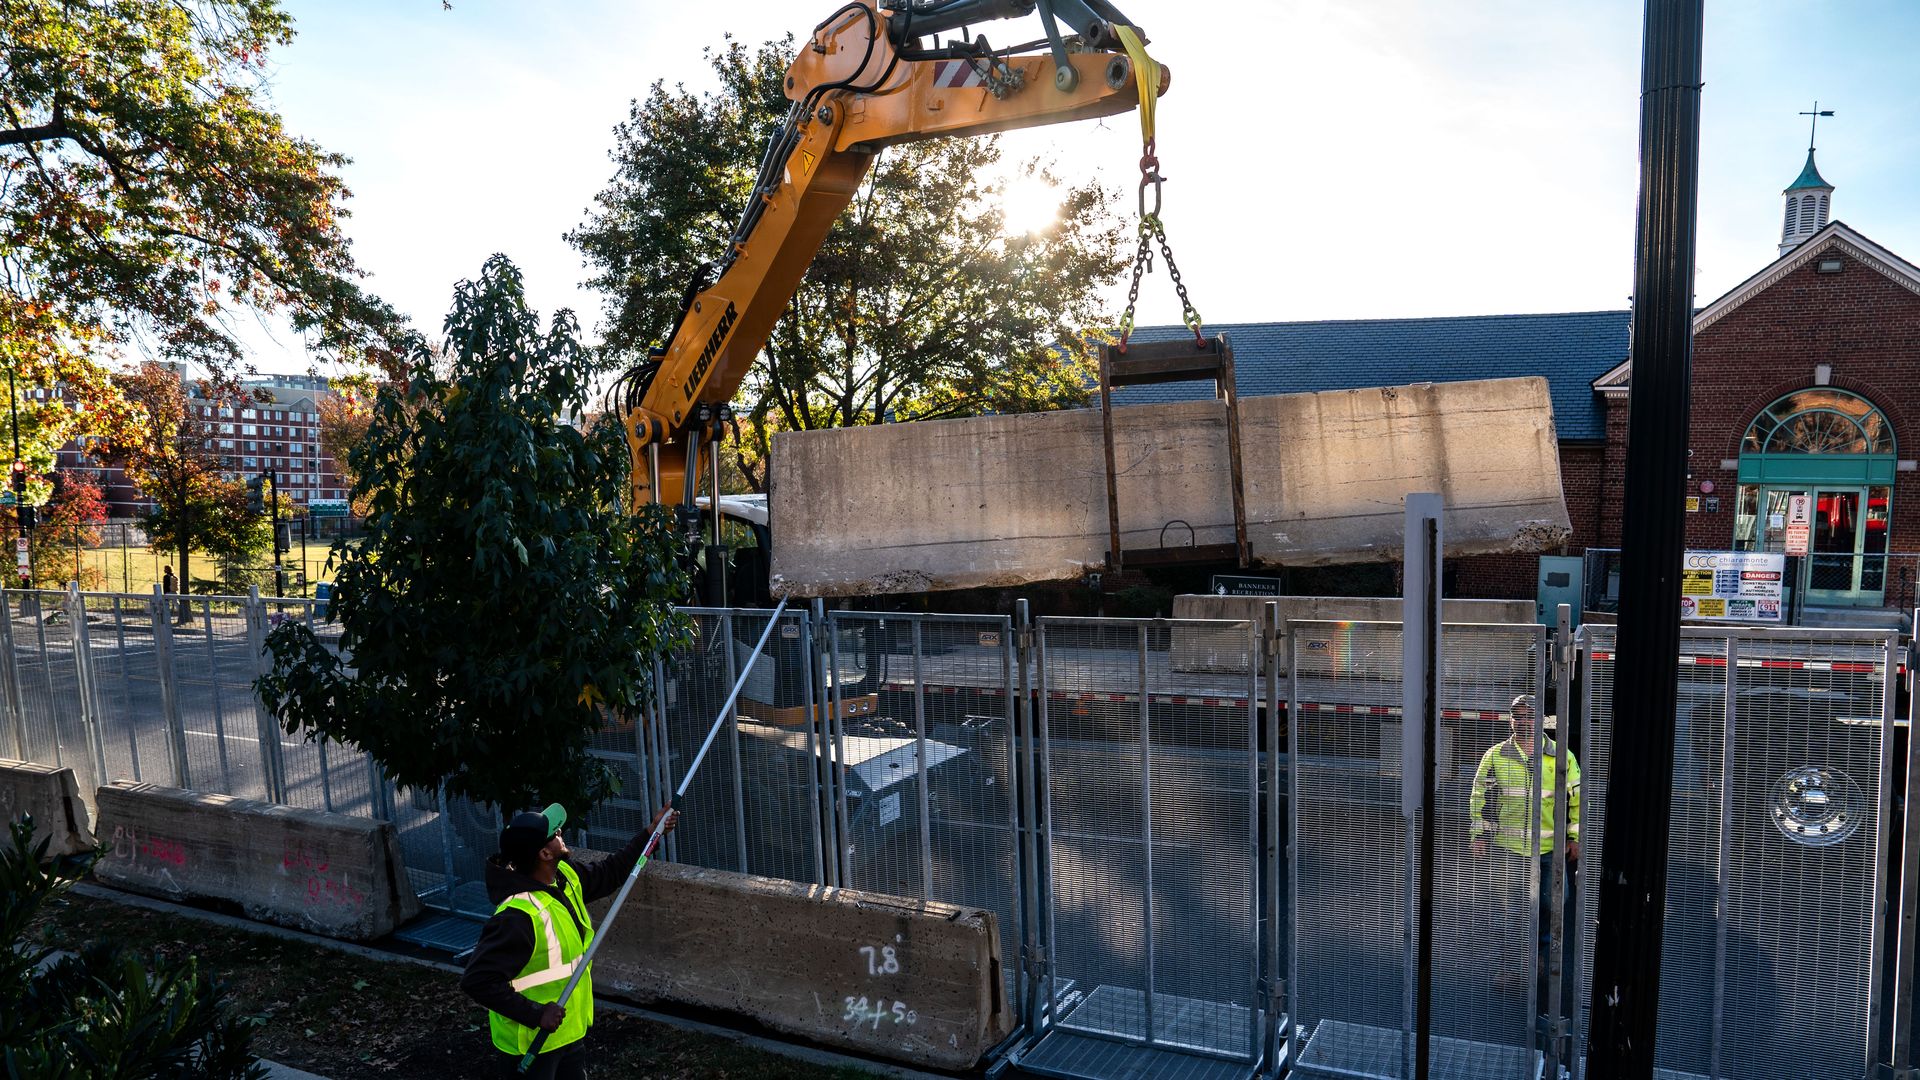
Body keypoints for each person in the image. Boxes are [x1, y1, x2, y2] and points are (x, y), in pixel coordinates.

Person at [462, 801, 676, 1079]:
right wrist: (536, 1014)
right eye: (554, 833)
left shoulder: (563, 877)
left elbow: (610, 872)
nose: (561, 831)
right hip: (531, 1045)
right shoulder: (517, 917)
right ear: (543, 853)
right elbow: (477, 981)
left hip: (566, 1034)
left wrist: (652, 831)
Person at [1469, 693, 1580, 991]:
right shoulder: (1495, 755)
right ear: (1511, 719)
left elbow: (1576, 799)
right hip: (1509, 849)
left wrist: (1574, 838)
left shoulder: (1562, 756)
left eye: (1530, 715)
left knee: (1554, 902)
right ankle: (1510, 967)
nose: (1524, 721)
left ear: (1541, 719)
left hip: (1548, 851)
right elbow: (1481, 796)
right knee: (1509, 912)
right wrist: (1479, 834)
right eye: (1518, 716)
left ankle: (1539, 957)